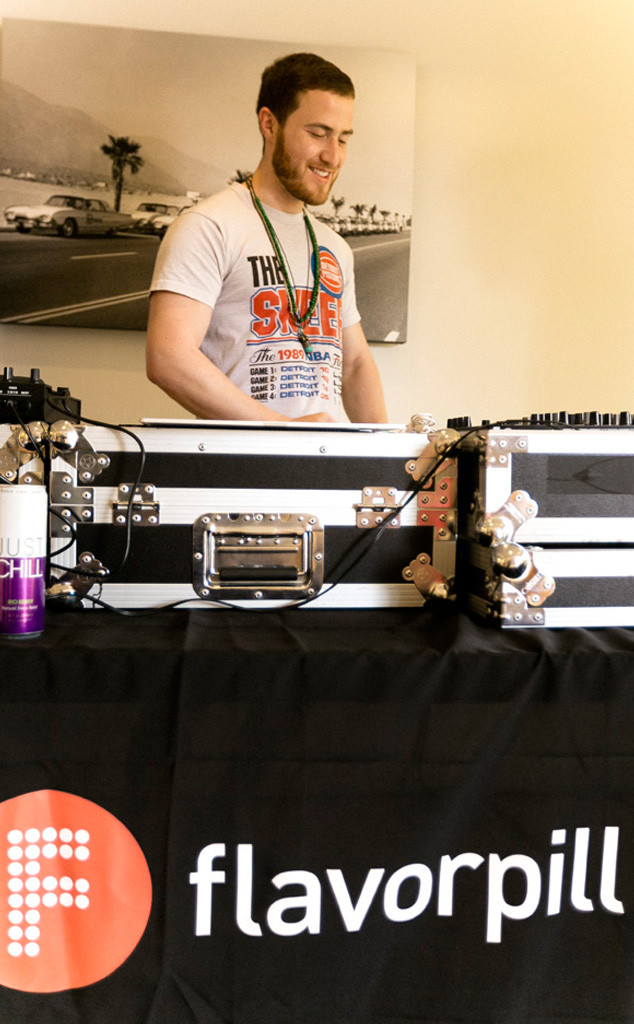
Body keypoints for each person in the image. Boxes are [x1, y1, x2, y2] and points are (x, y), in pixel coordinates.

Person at [146, 52, 387, 423]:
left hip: (325, 466)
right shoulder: (209, 225)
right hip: (239, 470)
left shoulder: (335, 247)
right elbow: (168, 358)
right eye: (318, 134)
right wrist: (284, 431)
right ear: (269, 124)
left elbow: (354, 365)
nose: (332, 156)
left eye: (343, 139)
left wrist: (383, 462)